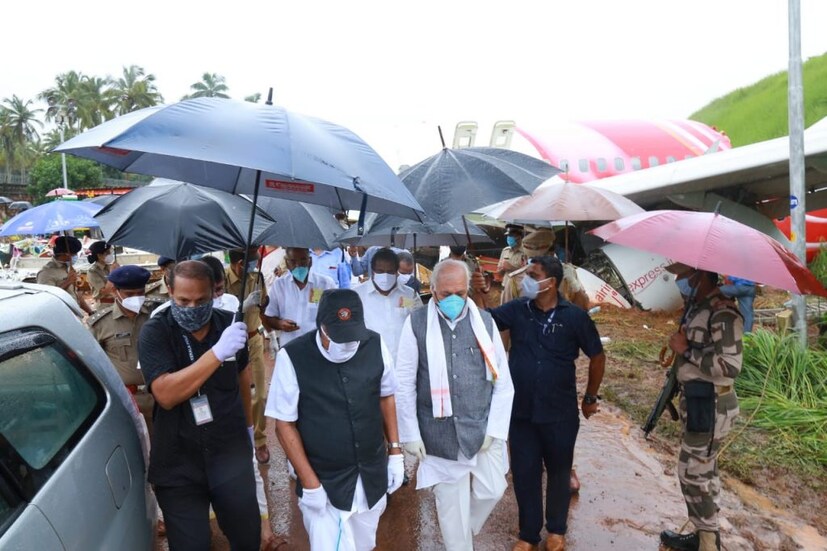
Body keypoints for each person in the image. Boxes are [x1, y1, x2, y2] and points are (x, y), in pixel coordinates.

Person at [267, 289, 404, 550]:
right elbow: (284, 424)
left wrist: (395, 452)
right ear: (323, 329)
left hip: (371, 475)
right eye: (341, 338)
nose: (349, 344)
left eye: (354, 337)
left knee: (365, 544)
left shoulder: (375, 344)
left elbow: (386, 396)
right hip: (324, 484)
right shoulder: (293, 357)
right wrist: (310, 483)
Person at [137, 260, 259, 550]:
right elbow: (165, 394)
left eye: (201, 300)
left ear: (214, 293)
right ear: (169, 291)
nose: (192, 307)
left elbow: (243, 381)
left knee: (246, 539)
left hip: (229, 455)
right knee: (192, 545)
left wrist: (250, 429)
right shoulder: (156, 332)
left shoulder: (229, 325)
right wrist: (217, 353)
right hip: (180, 462)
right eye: (183, 300)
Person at [487, 256, 606, 551]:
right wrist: (479, 290)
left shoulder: (575, 317)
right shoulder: (517, 310)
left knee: (559, 471)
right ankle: (528, 534)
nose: (524, 280)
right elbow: (483, 319)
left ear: (550, 282)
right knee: (525, 473)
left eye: (532, 275)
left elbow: (597, 356)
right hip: (521, 413)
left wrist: (590, 397)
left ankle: (556, 530)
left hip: (560, 412)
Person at [396, 259, 514, 551]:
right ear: (432, 291)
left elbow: (503, 382)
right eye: (445, 294)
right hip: (438, 432)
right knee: (451, 510)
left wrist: (495, 429)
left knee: (493, 489)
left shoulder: (485, 322)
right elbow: (404, 382)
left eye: (460, 293)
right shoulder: (416, 323)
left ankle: (465, 529)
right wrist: (409, 434)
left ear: (468, 291)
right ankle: (459, 542)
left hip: (479, 427)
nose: (453, 300)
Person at [660, 264, 743, 551]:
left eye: (684, 277)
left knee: (692, 473)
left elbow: (729, 366)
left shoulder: (723, 312)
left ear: (700, 277)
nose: (679, 282)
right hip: (698, 401)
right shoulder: (698, 308)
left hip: (713, 404)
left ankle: (708, 544)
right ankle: (704, 536)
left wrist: (686, 351)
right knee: (703, 472)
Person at [88, 265, 165, 433]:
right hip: (128, 400)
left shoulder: (159, 313)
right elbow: (92, 364)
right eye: (130, 294)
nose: (136, 298)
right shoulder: (101, 324)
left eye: (140, 293)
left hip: (163, 395)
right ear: (116, 291)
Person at [226, 249, 271, 465]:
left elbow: (263, 305)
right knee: (233, 394)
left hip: (253, 340)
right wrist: (241, 307)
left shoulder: (258, 277)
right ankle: (239, 438)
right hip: (230, 343)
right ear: (241, 263)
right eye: (252, 261)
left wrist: (263, 303)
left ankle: (259, 440)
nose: (256, 264)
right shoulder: (222, 279)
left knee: (260, 395)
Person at [261, 247, 337, 347]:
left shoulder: (325, 284)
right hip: (289, 348)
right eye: (293, 261)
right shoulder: (279, 286)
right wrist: (279, 324)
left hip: (317, 348)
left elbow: (335, 316)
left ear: (310, 261)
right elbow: (269, 317)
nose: (298, 265)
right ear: (287, 263)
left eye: (303, 260)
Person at [353, 248, 422, 356]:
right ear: (373, 270)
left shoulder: (409, 295)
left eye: (390, 272)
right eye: (380, 271)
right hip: (370, 361)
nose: (385, 276)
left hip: (403, 361)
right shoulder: (357, 295)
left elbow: (420, 323)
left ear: (396, 272)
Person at [500, 227, 589, 310]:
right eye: (533, 259)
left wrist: (575, 286)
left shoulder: (566, 274)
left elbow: (584, 307)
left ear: (552, 253)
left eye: (542, 258)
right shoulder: (515, 280)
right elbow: (504, 318)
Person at [36, 235, 94, 315]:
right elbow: (47, 298)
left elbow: (75, 295)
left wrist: (90, 312)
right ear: (66, 254)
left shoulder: (69, 268)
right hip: (61, 316)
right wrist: (68, 281)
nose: (76, 256)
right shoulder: (46, 273)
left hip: (74, 314)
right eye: (74, 254)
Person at [86, 241, 118, 310]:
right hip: (104, 305)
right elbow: (105, 291)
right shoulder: (93, 271)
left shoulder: (110, 267)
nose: (110, 255)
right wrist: (112, 273)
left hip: (117, 303)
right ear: (99, 255)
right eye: (107, 253)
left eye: (110, 252)